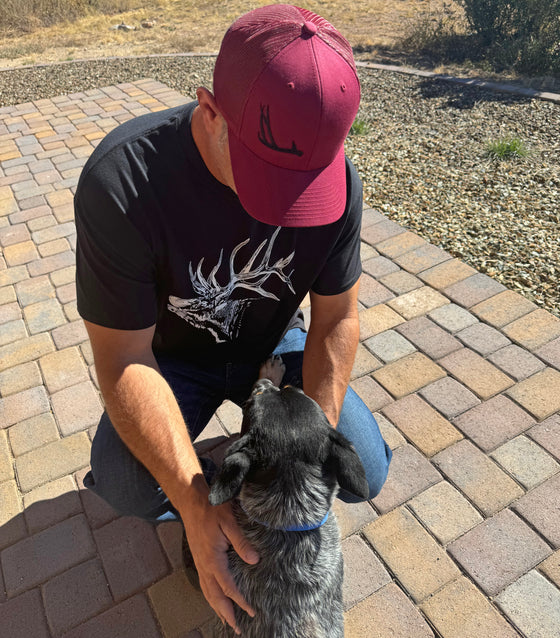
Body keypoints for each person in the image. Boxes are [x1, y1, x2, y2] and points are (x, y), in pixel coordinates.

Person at [75, 4, 392, 634]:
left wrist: (308, 445)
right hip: (172, 361)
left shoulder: (342, 184)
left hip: (274, 345)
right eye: (267, 177)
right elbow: (123, 360)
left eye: (306, 184)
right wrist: (195, 504)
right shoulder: (122, 182)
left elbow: (336, 317)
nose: (285, 206)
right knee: (122, 483)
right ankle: (216, 468)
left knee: (367, 473)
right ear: (209, 110)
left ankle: (239, 460)